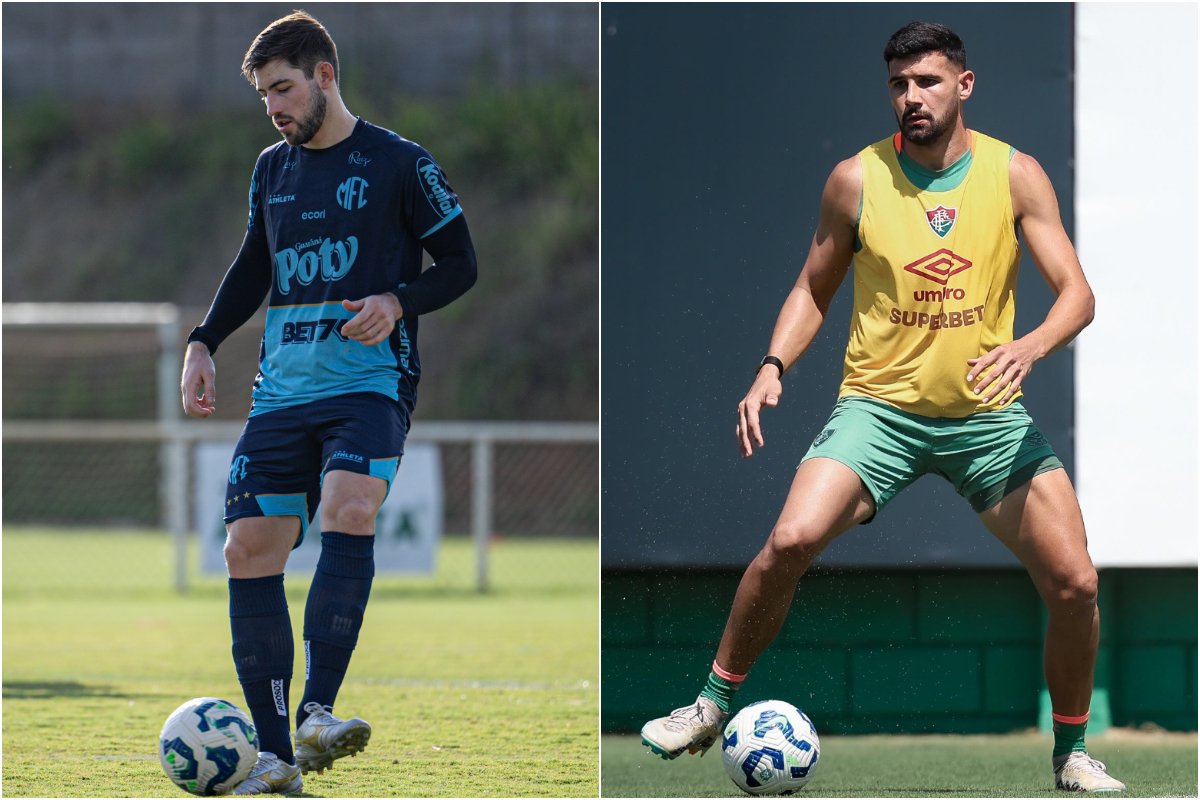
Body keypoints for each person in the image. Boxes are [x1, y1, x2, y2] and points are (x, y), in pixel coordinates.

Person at [639, 21, 1124, 793]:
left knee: (1077, 584)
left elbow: (1079, 295)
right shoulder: (855, 180)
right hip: (879, 413)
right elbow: (813, 288)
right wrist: (772, 366)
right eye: (899, 85)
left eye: (927, 81)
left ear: (964, 85)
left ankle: (1071, 753)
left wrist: (1029, 347)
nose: (911, 97)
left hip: (987, 419)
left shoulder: (1016, 175)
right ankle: (708, 704)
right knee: (791, 539)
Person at [180, 11, 477, 796]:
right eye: (263, 95)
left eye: (282, 89)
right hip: (281, 392)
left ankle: (318, 710)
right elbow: (254, 264)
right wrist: (203, 341)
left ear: (324, 76)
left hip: (368, 384)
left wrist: (398, 300)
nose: (273, 108)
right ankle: (276, 758)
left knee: (349, 507)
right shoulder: (270, 170)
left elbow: (460, 263)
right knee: (247, 551)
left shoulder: (401, 162)